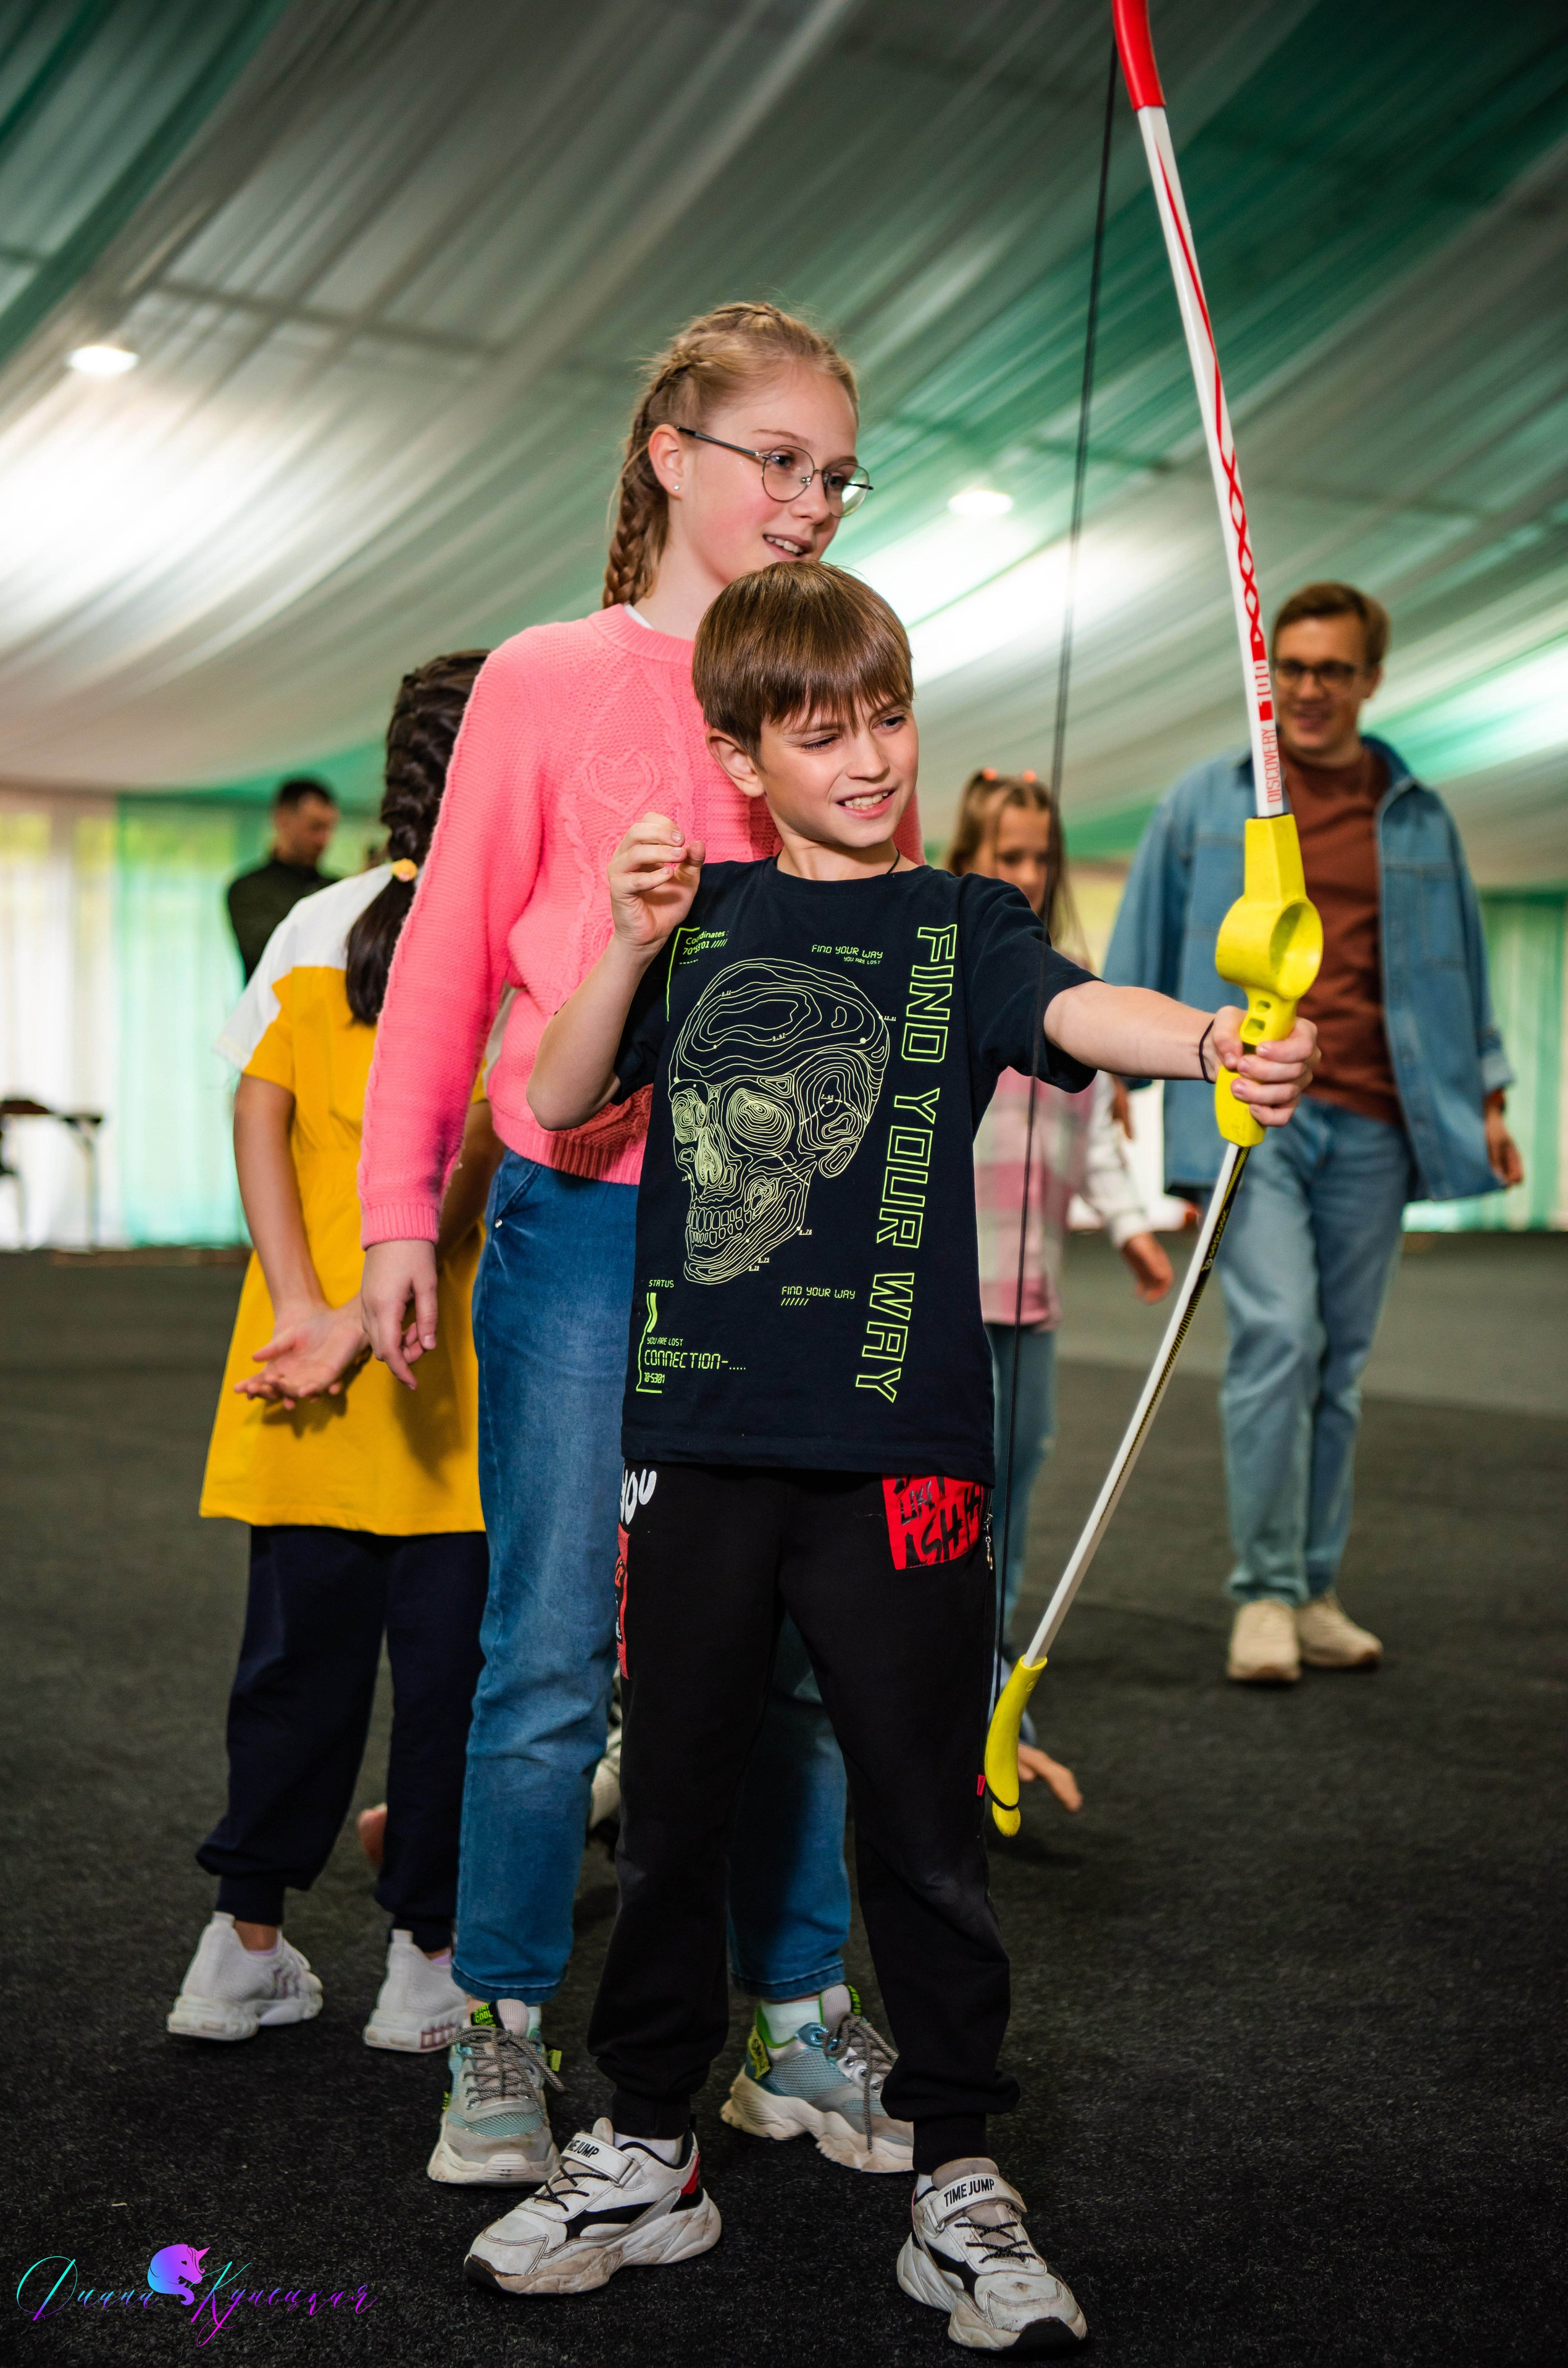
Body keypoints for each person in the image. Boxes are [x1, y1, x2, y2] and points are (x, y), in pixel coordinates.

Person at [470, 561, 1317, 2346]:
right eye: (817, 726)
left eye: (887, 714)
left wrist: (1219, 1040)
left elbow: (1087, 1010)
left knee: (925, 1821)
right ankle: (644, 2141)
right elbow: (551, 1099)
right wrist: (625, 935)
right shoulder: (695, 920)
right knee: (679, 1805)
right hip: (696, 1441)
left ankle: (952, 2172)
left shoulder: (957, 924)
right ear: (741, 752)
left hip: (902, 1453)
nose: (866, 753)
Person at [357, 304, 924, 2190]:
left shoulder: (829, 675)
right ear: (670, 451)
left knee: (791, 1652)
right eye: (780, 457)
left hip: (780, 1257)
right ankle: (500, 2031)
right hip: (580, 1228)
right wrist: (390, 1224)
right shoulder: (543, 673)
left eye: (836, 471)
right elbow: (443, 966)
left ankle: (789, 2016)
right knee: (539, 1655)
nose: (811, 499)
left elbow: (880, 962)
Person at [171, 656, 502, 2054]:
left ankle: (237, 1949)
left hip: (298, 1373)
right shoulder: (502, 936)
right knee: (449, 1693)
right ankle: (424, 1968)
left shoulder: (314, 919)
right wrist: (364, 1323)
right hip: (447, 1391)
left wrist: (305, 1303)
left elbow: (252, 1116)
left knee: (290, 1675)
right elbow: (469, 1175)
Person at [1106, 581, 1521, 1685]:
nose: (1308, 690)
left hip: (1381, 1118)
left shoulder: (1416, 809)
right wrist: (1113, 1066)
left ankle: (1314, 1587)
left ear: (1370, 679)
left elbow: (1455, 963)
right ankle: (1261, 1593)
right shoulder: (1206, 798)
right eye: (1291, 667)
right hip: (1253, 1113)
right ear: (1269, 672)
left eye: (1333, 670)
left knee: (1341, 1363)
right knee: (1280, 1335)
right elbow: (1143, 939)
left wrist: (1489, 1092)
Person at [947, 768, 1175, 1804]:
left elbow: (1093, 1148)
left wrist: (1130, 1230)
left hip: (1032, 1306)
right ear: (969, 858)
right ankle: (940, 1690)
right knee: (948, 1511)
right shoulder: (943, 968)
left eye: (1042, 856)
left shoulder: (1069, 990)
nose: (1029, 873)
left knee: (1018, 1506)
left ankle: (996, 1689)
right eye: (1008, 856)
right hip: (945, 1295)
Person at [226, 776, 339, 979]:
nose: (324, 839)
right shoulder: (247, 889)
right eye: (315, 827)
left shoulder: (337, 887)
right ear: (283, 820)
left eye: (329, 829)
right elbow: (270, 953)